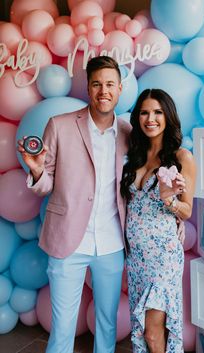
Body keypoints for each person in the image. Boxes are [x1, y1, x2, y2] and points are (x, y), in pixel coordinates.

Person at [17, 56, 131, 353]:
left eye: (109, 84)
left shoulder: (131, 133)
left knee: (107, 324)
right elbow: (45, 186)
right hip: (68, 239)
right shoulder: (60, 125)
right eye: (96, 84)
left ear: (119, 88)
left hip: (112, 242)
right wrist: (37, 169)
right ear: (88, 89)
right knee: (63, 326)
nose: (103, 90)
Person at [120, 88, 196, 353]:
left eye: (157, 112)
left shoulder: (181, 157)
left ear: (168, 116)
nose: (150, 118)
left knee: (153, 333)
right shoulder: (134, 156)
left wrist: (168, 199)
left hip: (163, 257)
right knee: (141, 328)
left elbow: (186, 210)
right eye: (144, 112)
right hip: (137, 258)